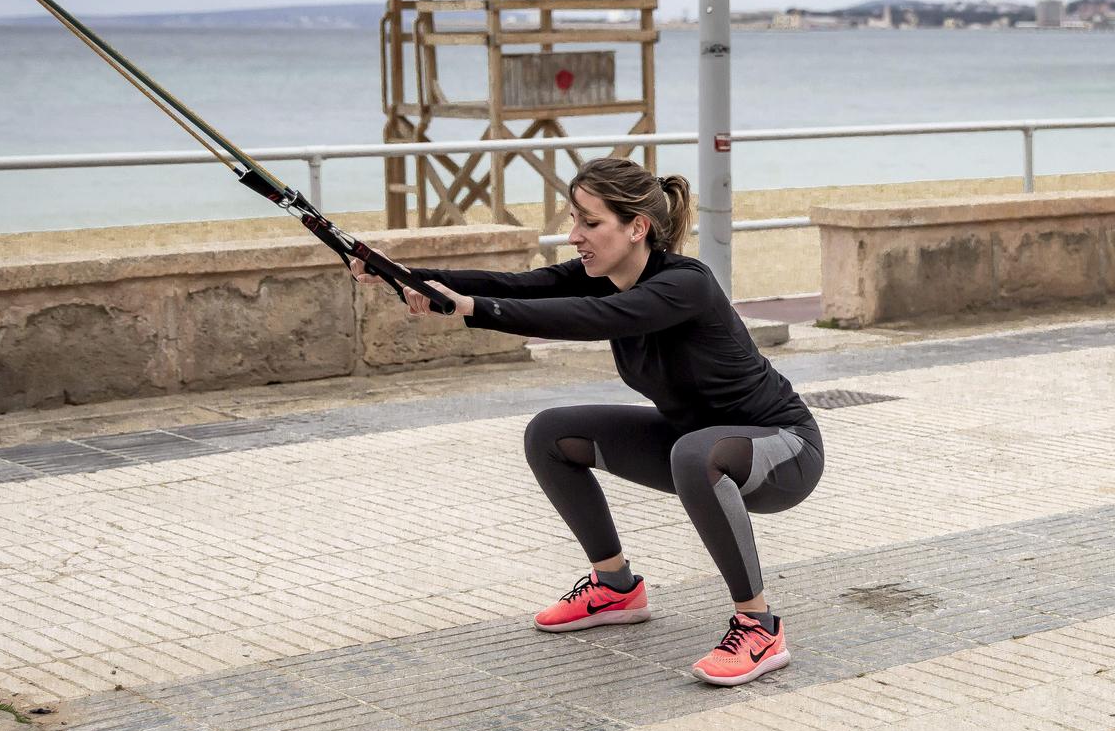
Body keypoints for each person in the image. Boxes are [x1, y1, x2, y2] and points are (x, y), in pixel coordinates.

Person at [351, 158, 823, 687]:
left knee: (694, 453)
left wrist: (470, 308)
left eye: (590, 223)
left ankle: (759, 628)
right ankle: (615, 588)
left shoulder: (686, 285)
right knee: (551, 433)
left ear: (637, 227)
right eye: (574, 220)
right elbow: (518, 286)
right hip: (692, 444)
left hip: (782, 450)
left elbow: (591, 319)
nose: (574, 236)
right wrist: (402, 275)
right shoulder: (602, 275)